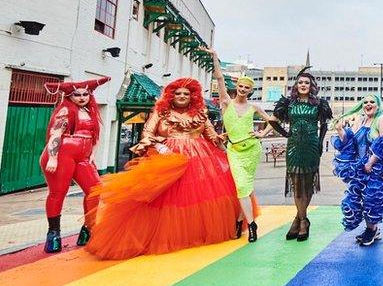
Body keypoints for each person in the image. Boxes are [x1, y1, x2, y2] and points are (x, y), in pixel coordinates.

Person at [85, 78, 239, 260]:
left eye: (186, 94)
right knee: (164, 199)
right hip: (167, 159)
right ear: (171, 95)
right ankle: (162, 236)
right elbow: (147, 133)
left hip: (200, 161)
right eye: (178, 93)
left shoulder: (201, 113)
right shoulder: (160, 111)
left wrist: (231, 148)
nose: (182, 96)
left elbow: (212, 136)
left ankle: (190, 234)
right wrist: (160, 147)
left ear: (192, 96)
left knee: (195, 198)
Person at [205, 47, 278, 243]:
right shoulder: (225, 102)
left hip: (252, 150)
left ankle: (240, 222)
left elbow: (273, 120)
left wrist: (262, 133)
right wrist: (214, 56)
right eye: (241, 86)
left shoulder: (253, 107)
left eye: (247, 88)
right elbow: (220, 79)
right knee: (242, 187)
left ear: (251, 91)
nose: (243, 89)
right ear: (237, 87)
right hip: (234, 151)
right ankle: (252, 225)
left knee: (243, 188)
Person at [38, 77, 110, 253]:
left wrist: (91, 153)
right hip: (62, 155)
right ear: (69, 95)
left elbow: (91, 135)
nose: (82, 97)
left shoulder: (89, 111)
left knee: (96, 189)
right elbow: (56, 134)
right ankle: (53, 234)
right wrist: (53, 157)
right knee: (58, 193)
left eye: (85, 94)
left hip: (82, 158)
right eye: (77, 94)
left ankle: (88, 228)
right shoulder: (65, 110)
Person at [332, 95, 383, 246]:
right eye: (365, 102)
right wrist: (340, 129)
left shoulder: (382, 119)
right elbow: (350, 142)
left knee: (372, 199)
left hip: (378, 167)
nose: (368, 104)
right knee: (357, 198)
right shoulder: (360, 121)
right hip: (361, 167)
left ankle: (371, 230)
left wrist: (370, 163)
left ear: (378, 106)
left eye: (372, 102)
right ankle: (373, 229)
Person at [273, 67, 333, 241]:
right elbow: (272, 120)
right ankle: (303, 220)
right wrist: (285, 134)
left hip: (311, 147)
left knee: (307, 183)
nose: (303, 85)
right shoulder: (288, 104)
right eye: (300, 82)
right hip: (293, 147)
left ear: (311, 85)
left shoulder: (319, 104)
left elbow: (324, 125)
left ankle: (298, 220)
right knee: (296, 182)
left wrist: (321, 143)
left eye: (307, 82)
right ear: (296, 85)